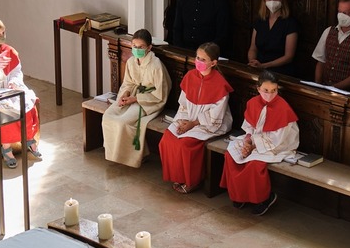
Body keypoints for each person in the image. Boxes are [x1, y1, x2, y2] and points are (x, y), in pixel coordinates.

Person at [220, 70, 299, 216]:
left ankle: (264, 199)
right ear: (258, 88)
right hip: (255, 140)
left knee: (254, 164)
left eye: (274, 90)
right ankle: (240, 195)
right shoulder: (253, 103)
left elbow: (277, 138)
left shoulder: (283, 108)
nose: (270, 94)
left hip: (278, 145)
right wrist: (247, 141)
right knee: (231, 156)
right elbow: (249, 126)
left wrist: (252, 146)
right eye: (266, 90)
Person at [159, 42, 233, 194]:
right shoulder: (190, 76)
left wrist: (192, 124)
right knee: (167, 138)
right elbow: (183, 104)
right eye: (197, 58)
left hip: (208, 123)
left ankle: (191, 181)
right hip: (188, 118)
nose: (198, 61)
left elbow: (215, 115)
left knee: (185, 145)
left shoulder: (220, 84)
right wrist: (183, 121)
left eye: (203, 59)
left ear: (213, 63)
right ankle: (178, 176)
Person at [103, 29, 172, 168]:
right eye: (134, 46)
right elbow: (128, 82)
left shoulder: (156, 65)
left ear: (149, 47)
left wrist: (136, 99)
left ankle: (133, 157)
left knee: (123, 122)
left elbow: (161, 93)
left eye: (141, 47)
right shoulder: (131, 61)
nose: (137, 49)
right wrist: (125, 94)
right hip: (132, 96)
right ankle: (115, 154)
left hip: (149, 101)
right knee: (108, 116)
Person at [0, 15, 43, 168]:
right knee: (5, 111)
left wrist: (15, 82)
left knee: (27, 102)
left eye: (3, 32)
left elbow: (16, 71)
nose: (2, 36)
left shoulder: (10, 51)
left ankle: (29, 139)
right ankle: (6, 148)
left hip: (11, 87)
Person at [248, 0, 298, 76]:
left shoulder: (290, 23)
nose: (272, 2)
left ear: (282, 0)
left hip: (280, 71)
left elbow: (288, 56)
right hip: (258, 68)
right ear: (264, 0)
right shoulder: (260, 21)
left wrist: (264, 66)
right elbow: (253, 48)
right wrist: (252, 62)